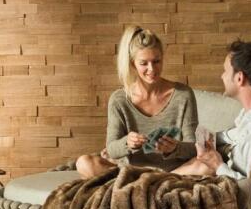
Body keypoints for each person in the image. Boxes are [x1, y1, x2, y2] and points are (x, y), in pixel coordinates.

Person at [76, 25, 199, 178]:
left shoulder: (183, 95)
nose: (152, 69)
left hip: (174, 171)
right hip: (131, 171)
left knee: (206, 164)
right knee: (84, 163)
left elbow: (194, 148)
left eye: (156, 61)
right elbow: (112, 149)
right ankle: (149, 181)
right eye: (144, 63)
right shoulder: (119, 99)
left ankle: (150, 181)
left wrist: (175, 148)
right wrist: (127, 143)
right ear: (132, 63)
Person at [173, 40, 251, 179]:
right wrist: (211, 138)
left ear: (239, 78)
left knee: (203, 167)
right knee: (199, 164)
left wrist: (218, 165)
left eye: (225, 71)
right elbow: (237, 134)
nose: (222, 76)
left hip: (231, 185)